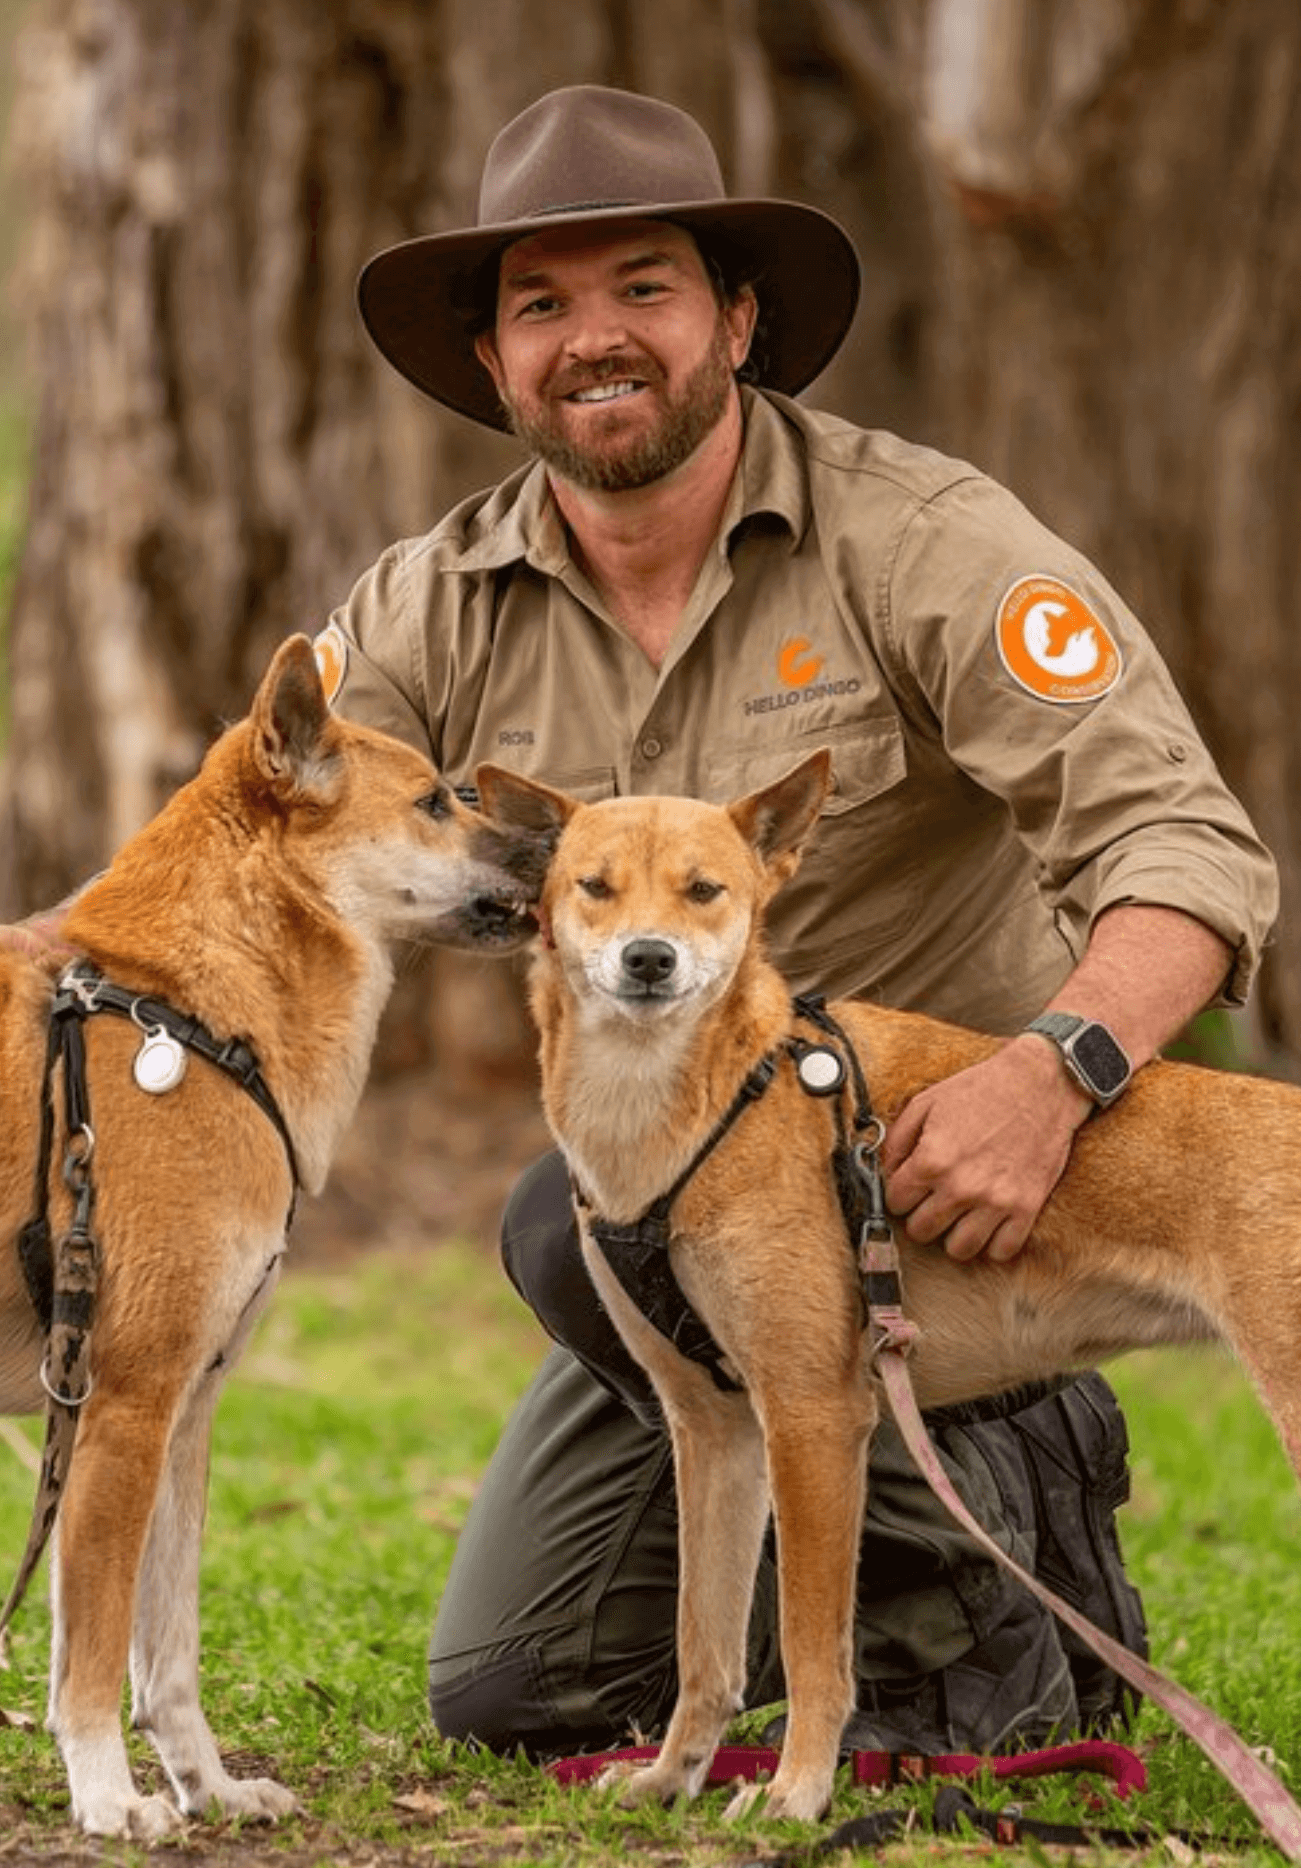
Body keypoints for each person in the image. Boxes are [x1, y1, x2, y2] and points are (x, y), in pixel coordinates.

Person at [141, 84, 1301, 1758]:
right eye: (540, 303)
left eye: (644, 289)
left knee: (586, 1231)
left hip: (954, 1190)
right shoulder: (422, 608)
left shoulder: (924, 541)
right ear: (493, 362)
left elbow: (1187, 849)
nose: (593, 339)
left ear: (737, 320)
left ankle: (984, 1516)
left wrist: (1051, 1078)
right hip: (679, 1217)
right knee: (516, 1681)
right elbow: (257, 828)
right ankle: (874, 1536)